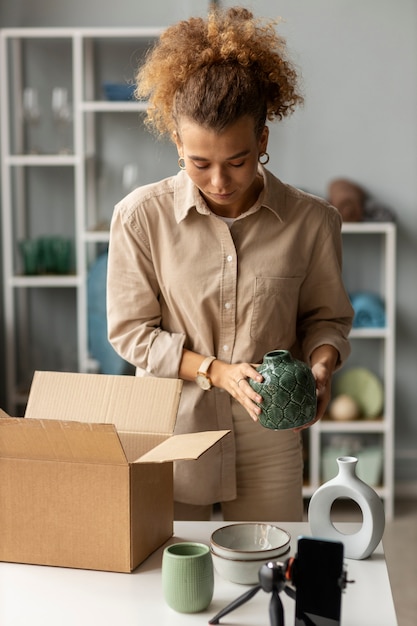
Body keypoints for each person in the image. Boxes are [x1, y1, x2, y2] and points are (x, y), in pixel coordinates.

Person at [106, 6, 353, 522]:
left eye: (236, 161)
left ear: (262, 141)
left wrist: (323, 366)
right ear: (177, 143)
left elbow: (326, 318)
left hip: (270, 431)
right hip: (169, 429)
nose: (219, 181)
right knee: (165, 583)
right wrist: (215, 372)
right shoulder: (139, 218)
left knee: (270, 571)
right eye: (200, 163)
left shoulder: (311, 221)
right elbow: (130, 332)